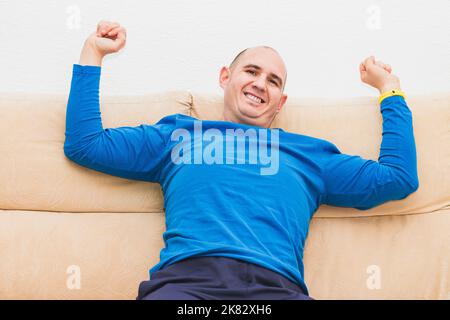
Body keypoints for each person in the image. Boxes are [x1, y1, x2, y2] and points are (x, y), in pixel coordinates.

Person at [64, 20, 419, 300]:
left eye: (273, 80)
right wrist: (93, 52)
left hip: (275, 290)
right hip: (187, 286)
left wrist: (389, 88)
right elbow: (86, 144)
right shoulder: (178, 136)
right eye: (251, 71)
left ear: (281, 102)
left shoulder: (309, 154)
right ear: (225, 77)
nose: (261, 84)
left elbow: (398, 177)